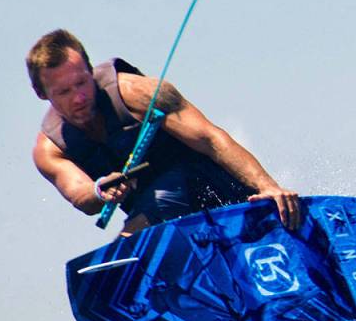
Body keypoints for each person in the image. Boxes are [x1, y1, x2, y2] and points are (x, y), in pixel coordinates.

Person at [27, 29, 300, 234]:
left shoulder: (137, 93)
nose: (79, 97)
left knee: (145, 219)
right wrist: (101, 191)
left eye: (81, 83)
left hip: (214, 189)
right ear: (41, 94)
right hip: (158, 221)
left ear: (89, 69)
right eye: (63, 92)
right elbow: (79, 195)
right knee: (134, 236)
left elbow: (211, 140)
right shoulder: (51, 149)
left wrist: (267, 186)